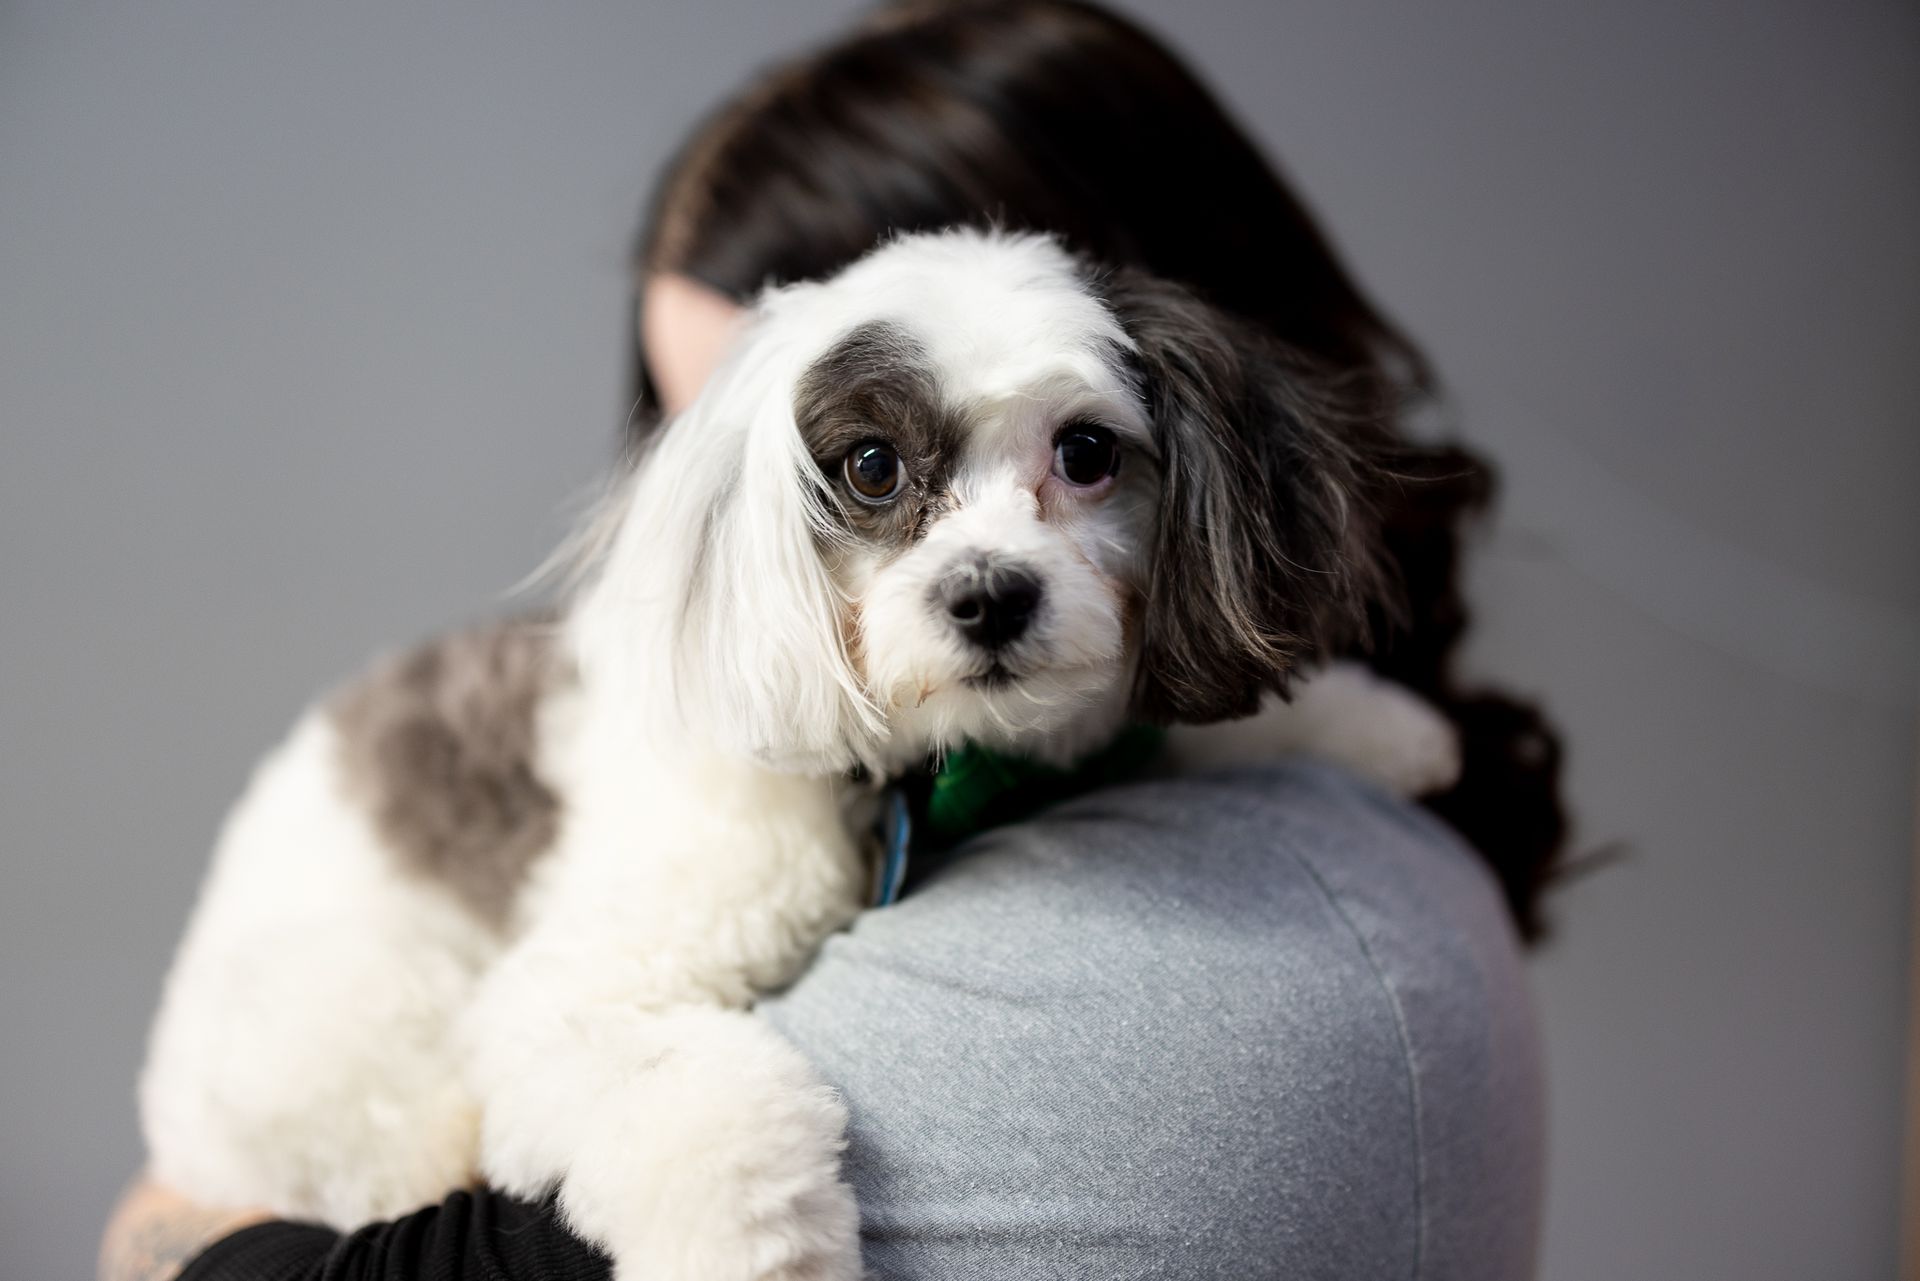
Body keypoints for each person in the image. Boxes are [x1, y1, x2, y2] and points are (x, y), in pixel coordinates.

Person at [101, 3, 1565, 1278]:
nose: (988, 564)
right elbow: (557, 1034)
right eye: (868, 479)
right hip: (348, 1084)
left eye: (1084, 461)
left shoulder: (1216, 960)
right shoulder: (736, 818)